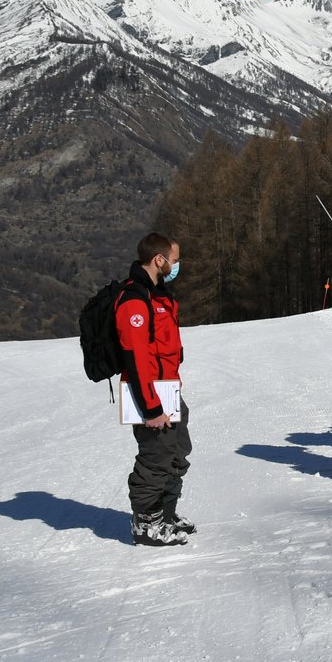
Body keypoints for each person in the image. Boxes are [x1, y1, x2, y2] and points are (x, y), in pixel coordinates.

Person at [117, 234, 193, 547]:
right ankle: (146, 523)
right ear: (159, 260)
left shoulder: (157, 295)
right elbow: (135, 357)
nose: (177, 266)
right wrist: (150, 407)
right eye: (174, 260)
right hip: (148, 395)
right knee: (155, 457)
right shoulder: (135, 300)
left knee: (177, 452)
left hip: (168, 390)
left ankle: (165, 512)